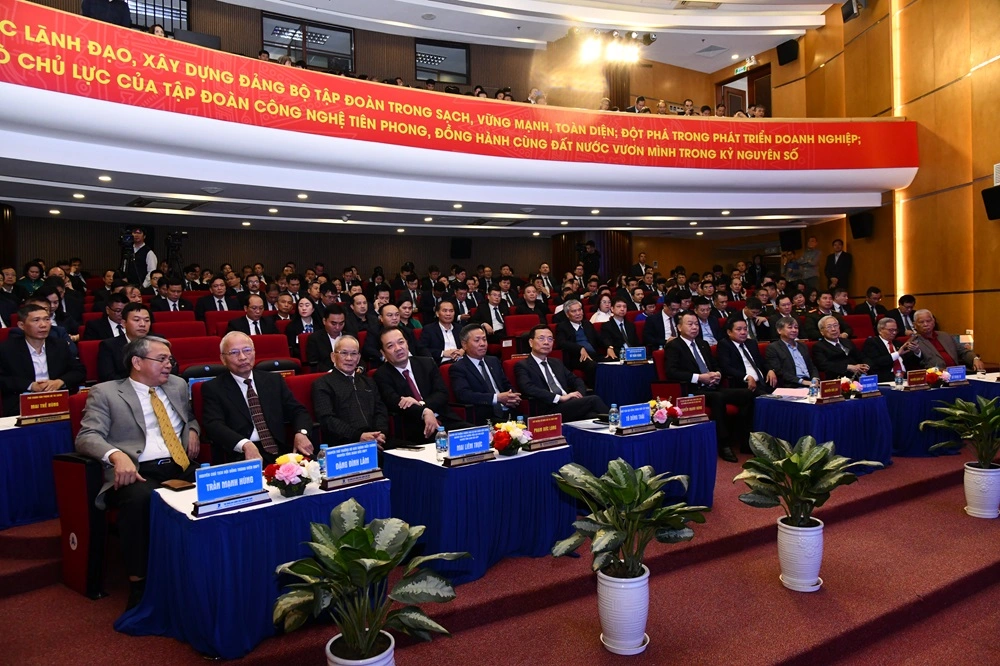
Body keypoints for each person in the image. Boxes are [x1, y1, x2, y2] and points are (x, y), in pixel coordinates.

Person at [75, 336, 200, 609]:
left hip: (179, 465)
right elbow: (87, 436)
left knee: (219, 489)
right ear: (137, 362)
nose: (169, 365)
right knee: (140, 500)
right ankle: (139, 584)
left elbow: (189, 417)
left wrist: (192, 430)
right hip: (137, 470)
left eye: (170, 359)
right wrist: (116, 455)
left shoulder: (177, 385)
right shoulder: (106, 393)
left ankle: (201, 570)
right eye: (162, 359)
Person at [201, 332, 313, 465]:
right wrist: (244, 444)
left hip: (279, 450)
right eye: (234, 353)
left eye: (247, 350)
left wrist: (301, 433)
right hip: (242, 455)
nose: (242, 357)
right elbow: (214, 425)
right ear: (223, 359)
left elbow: (298, 411)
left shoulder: (273, 380)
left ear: (254, 352)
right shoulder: (214, 388)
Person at [663, 312, 753, 462]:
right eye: (690, 324)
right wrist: (699, 377)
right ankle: (724, 444)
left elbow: (716, 365)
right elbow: (671, 371)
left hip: (712, 387)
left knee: (747, 394)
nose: (694, 327)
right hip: (692, 390)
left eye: (696, 324)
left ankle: (745, 441)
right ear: (679, 327)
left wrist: (717, 374)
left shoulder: (703, 343)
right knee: (718, 397)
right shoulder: (674, 346)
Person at [373, 327, 470, 442]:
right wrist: (423, 412)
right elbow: (396, 402)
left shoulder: (427, 363)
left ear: (407, 343)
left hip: (445, 420)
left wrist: (422, 405)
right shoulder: (381, 375)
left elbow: (442, 393)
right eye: (390, 346)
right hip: (417, 428)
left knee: (480, 437)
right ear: (383, 352)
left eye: (401, 342)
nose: (398, 348)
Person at [0, 303, 86, 415]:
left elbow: (79, 371)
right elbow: (3, 379)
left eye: (47, 319)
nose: (43, 325)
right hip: (21, 403)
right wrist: (31, 386)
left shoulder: (59, 345)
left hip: (57, 400)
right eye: (36, 320)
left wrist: (60, 382)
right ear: (21, 325)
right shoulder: (7, 349)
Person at [312, 335, 397, 448]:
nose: (349, 358)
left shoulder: (368, 382)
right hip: (346, 444)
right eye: (344, 353)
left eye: (353, 354)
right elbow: (327, 420)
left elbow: (380, 411)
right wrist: (358, 436)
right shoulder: (322, 384)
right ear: (333, 357)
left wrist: (380, 434)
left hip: (377, 441)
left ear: (358, 358)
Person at [514, 325, 608, 421]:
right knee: (594, 400)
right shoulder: (523, 365)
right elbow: (528, 388)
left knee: (593, 415)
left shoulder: (556, 362)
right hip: (548, 408)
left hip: (567, 405)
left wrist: (578, 394)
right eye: (541, 338)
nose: (546, 342)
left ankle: (612, 424)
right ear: (531, 342)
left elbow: (576, 380)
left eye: (550, 339)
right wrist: (559, 398)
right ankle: (615, 424)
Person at [449, 325, 522, 423]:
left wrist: (513, 396)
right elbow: (464, 395)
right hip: (486, 417)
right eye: (477, 340)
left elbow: (506, 384)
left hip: (509, 412)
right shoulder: (459, 368)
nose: (483, 344)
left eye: (484, 339)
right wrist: (497, 398)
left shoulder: (493, 361)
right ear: (464, 345)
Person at [911, 309, 985, 371]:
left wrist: (975, 359)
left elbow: (963, 351)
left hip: (957, 372)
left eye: (928, 321)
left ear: (933, 322)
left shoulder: (945, 336)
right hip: (936, 376)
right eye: (921, 322)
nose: (926, 324)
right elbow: (919, 363)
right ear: (914, 325)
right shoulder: (914, 341)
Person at [716, 318, 776, 395]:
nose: (743, 332)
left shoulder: (751, 343)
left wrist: (770, 370)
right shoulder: (724, 345)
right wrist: (746, 376)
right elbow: (726, 367)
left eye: (745, 329)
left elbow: (761, 361)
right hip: (745, 385)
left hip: (763, 382)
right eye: (739, 329)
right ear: (729, 332)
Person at [97, 302, 153, 381]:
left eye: (147, 320)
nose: (143, 324)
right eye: (137, 320)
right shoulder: (109, 346)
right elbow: (108, 376)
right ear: (123, 323)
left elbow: (169, 369)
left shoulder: (158, 342)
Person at [554, 299, 603, 388]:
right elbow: (561, 343)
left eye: (579, 310)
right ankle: (594, 389)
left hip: (593, 355)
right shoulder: (562, 326)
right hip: (577, 357)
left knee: (614, 361)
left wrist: (609, 346)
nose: (578, 313)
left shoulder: (587, 324)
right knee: (592, 365)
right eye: (574, 311)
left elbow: (599, 338)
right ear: (567, 314)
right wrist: (580, 348)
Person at [765, 317, 820, 388]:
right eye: (790, 327)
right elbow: (779, 371)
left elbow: (811, 366)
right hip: (792, 384)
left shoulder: (802, 346)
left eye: (796, 327)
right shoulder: (773, 347)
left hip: (810, 383)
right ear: (779, 330)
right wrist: (803, 382)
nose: (794, 330)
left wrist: (815, 379)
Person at [862, 317, 923, 382]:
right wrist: (897, 354)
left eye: (895, 330)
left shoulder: (898, 343)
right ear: (880, 331)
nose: (894, 333)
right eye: (890, 330)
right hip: (886, 379)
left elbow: (912, 362)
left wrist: (917, 352)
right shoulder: (872, 342)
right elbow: (877, 362)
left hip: (905, 377)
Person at [419, 299, 463, 364]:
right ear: (437, 313)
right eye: (445, 311)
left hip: (461, 362)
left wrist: (463, 350)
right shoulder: (429, 329)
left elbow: (468, 344)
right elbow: (422, 350)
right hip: (441, 363)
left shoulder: (459, 328)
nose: (448, 314)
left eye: (451, 311)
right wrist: (443, 353)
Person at [306, 305, 347, 373]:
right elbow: (314, 363)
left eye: (341, 323)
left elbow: (359, 358)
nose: (337, 327)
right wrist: (331, 372)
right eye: (334, 323)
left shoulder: (350, 337)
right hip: (326, 374)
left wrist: (360, 368)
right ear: (324, 321)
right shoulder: (315, 339)